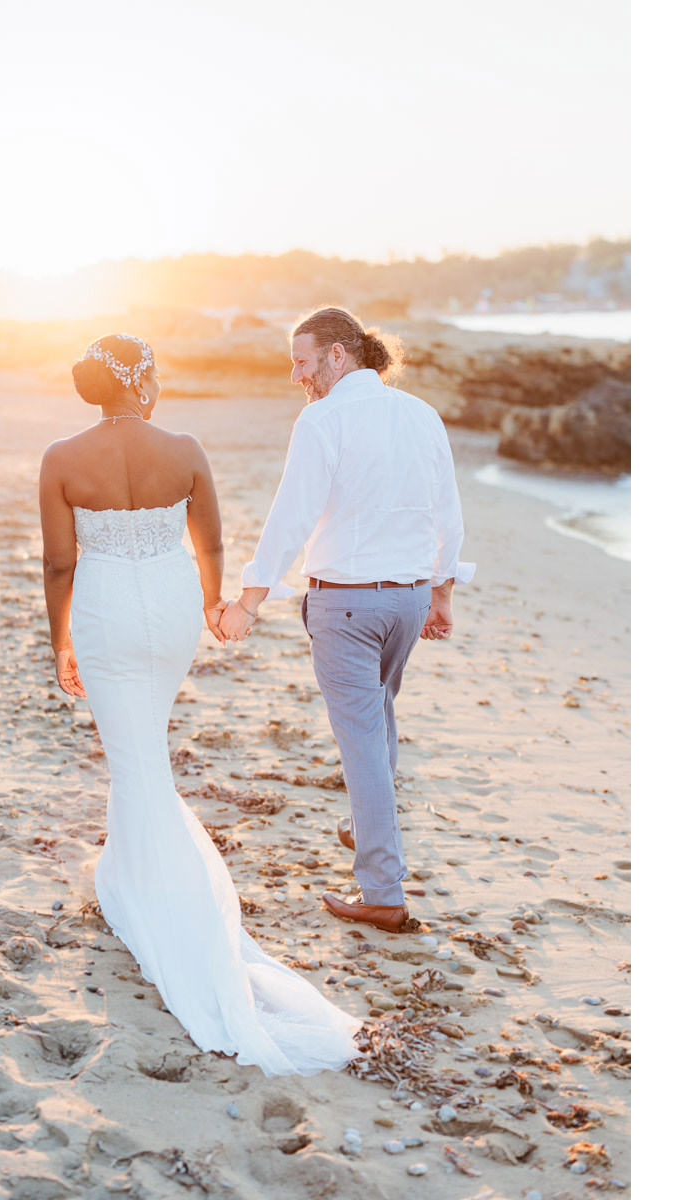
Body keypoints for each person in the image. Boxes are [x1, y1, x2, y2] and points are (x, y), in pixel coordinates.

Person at [38, 333, 362, 1076]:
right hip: (174, 604)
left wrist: (60, 640)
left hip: (108, 608)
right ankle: (124, 877)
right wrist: (212, 602)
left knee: (136, 755)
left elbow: (60, 561)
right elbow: (209, 538)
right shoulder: (184, 446)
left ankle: (174, 913)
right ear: (142, 379)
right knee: (142, 747)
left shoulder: (61, 457)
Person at [219, 308, 475, 935]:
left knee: (361, 738)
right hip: (410, 599)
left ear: (339, 355)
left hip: (348, 605)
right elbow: (449, 512)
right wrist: (442, 593)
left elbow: (291, 517)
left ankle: (383, 891)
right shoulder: (422, 414)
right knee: (378, 713)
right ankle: (367, 824)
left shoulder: (323, 419)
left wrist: (249, 600)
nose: (296, 375)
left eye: (303, 361)